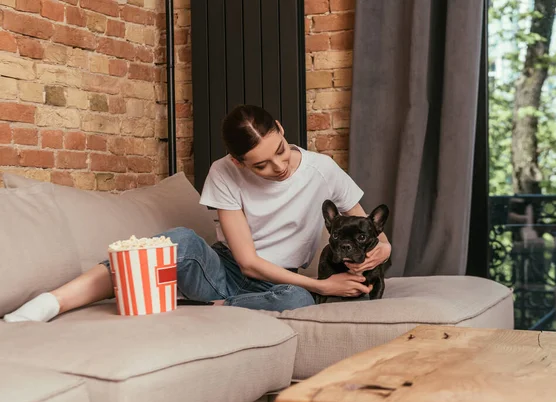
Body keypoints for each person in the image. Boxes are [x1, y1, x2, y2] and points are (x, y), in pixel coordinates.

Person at [3, 105, 391, 322]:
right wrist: (323, 286)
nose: (279, 166)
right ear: (238, 163)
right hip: (226, 269)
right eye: (260, 165)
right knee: (181, 239)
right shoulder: (223, 173)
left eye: (282, 149)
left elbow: (368, 230)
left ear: (281, 128)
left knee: (297, 299)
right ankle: (51, 303)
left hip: (278, 283)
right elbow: (248, 263)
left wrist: (381, 251)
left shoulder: (322, 169)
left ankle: (210, 307)